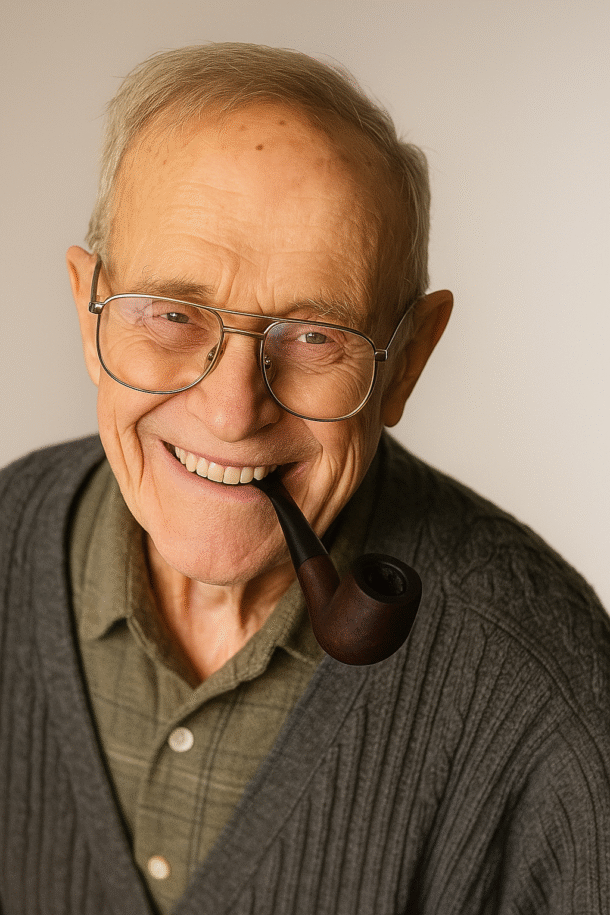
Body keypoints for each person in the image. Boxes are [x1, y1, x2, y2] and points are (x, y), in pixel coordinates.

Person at [1, 42, 609, 915]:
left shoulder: (545, 688)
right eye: (172, 313)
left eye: (315, 335)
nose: (231, 411)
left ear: (406, 363)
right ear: (87, 311)